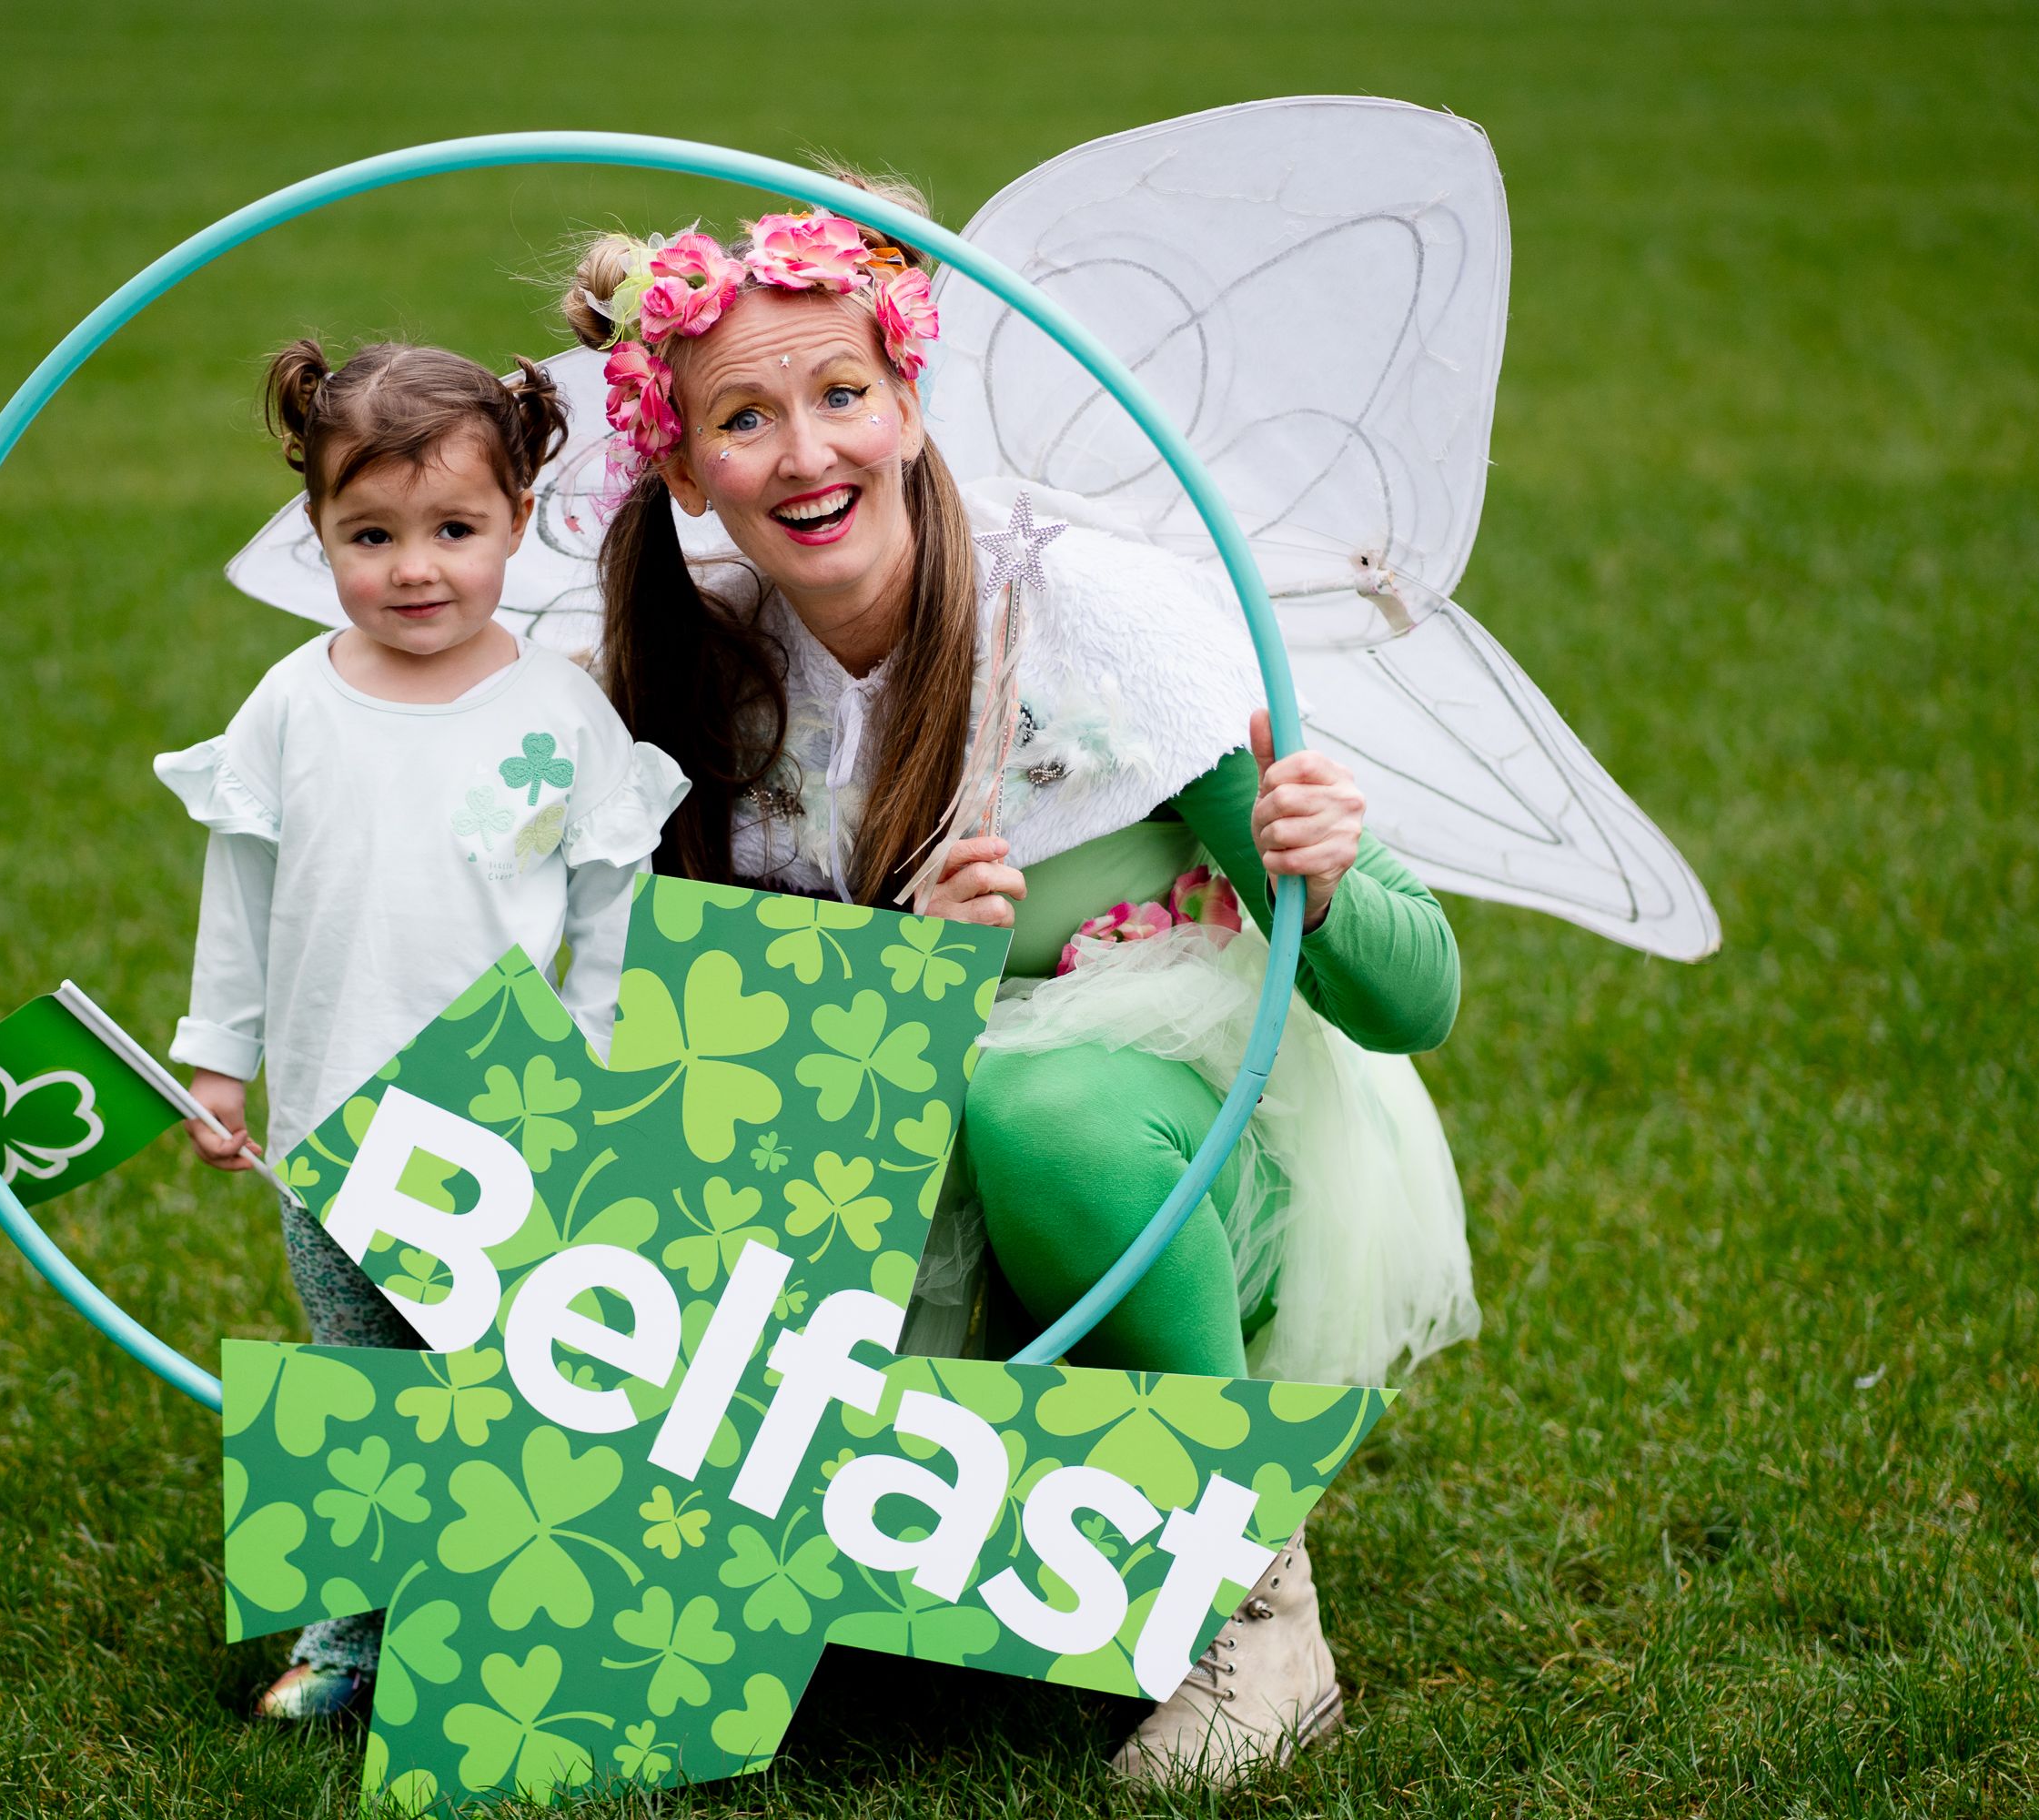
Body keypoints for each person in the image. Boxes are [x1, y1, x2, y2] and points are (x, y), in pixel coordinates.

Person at [560, 177, 1478, 1782]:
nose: (807, 453)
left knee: (1025, 1095)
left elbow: (1414, 1005)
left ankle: (1252, 1602)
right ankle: (778, 1550)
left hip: (1161, 1137)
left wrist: (1328, 870)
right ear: (688, 468)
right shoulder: (696, 668)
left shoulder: (1093, 621)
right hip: (885, 1136)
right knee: (728, 1089)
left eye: (843, 393)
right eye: (746, 420)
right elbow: (672, 1040)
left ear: (910, 403)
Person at [155, 339, 688, 1721]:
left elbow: (606, 901)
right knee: (360, 1393)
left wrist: (586, 1052)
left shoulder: (560, 710)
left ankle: (522, 1627)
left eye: (455, 530)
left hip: (502, 1124)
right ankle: (351, 1648)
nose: (415, 568)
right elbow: (243, 885)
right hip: (329, 1129)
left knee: (503, 1382)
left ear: (520, 520)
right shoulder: (292, 703)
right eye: (369, 534)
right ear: (318, 531)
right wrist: (223, 1057)